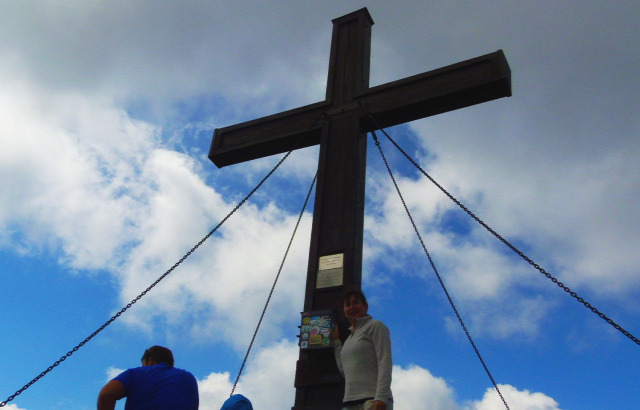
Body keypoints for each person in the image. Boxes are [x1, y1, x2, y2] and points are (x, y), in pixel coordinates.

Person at [331, 289, 393, 410]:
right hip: (349, 403)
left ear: (365, 306)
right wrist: (337, 342)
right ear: (344, 311)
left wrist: (381, 397)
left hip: (372, 400)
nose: (352, 307)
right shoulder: (349, 339)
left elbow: (385, 362)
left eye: (356, 302)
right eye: (347, 304)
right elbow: (345, 371)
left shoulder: (375, 326)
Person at [97, 345, 199, 410]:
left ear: (150, 360)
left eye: (143, 364)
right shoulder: (189, 378)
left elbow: (107, 394)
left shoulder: (136, 373)